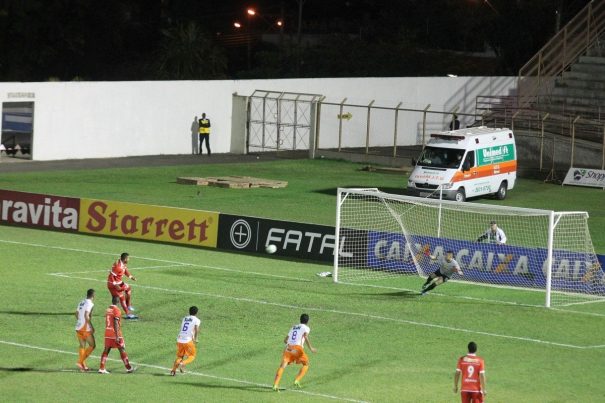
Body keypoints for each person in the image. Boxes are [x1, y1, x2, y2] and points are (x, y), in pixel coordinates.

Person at [273, 313, 317, 391]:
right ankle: (297, 380)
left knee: (282, 366)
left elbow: (285, 340)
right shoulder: (306, 327)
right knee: (306, 364)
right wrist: (311, 348)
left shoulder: (293, 327)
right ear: (307, 321)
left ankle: (275, 385)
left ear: (300, 319)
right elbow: (305, 336)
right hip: (297, 348)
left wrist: (290, 346)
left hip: (288, 348)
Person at [98, 296, 135, 374]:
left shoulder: (108, 309)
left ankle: (101, 368)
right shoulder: (117, 310)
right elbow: (115, 322)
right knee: (121, 349)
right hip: (114, 333)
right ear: (118, 302)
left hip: (107, 332)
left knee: (106, 349)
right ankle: (129, 368)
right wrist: (117, 335)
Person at [170, 306, 201, 376]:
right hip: (187, 340)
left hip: (179, 339)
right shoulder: (197, 320)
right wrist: (195, 339)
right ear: (197, 312)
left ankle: (173, 371)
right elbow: (196, 329)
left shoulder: (184, 318)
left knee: (180, 356)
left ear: (189, 311)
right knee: (192, 355)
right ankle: (183, 363)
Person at [107, 252, 138, 319]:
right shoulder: (118, 266)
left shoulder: (122, 263)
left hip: (119, 282)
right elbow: (112, 275)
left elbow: (125, 270)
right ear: (125, 259)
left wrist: (131, 277)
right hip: (113, 284)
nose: (129, 259)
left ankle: (128, 305)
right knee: (122, 297)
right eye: (128, 258)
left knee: (128, 288)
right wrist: (116, 285)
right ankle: (128, 314)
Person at [75, 288, 96, 372]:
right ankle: (80, 362)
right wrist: (91, 326)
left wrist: (80, 321)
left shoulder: (81, 302)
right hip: (85, 328)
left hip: (78, 327)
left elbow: (76, 314)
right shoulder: (90, 303)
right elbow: (86, 315)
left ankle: (83, 366)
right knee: (92, 345)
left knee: (82, 346)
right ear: (93, 296)